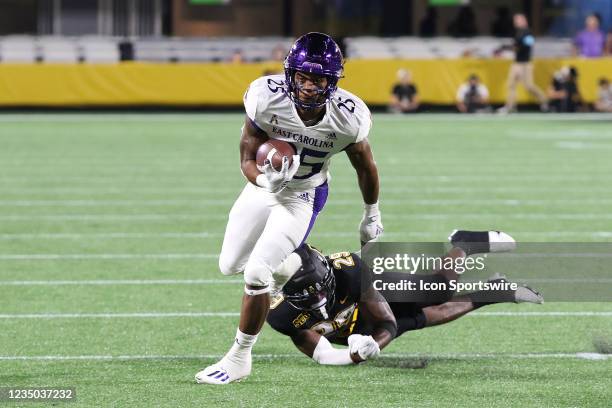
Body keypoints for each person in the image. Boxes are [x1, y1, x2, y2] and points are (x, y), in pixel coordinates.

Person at [195, 32, 383, 385]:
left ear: (333, 81)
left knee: (255, 274)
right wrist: (265, 181)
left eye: (319, 79)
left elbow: (366, 167)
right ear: (290, 75)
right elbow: (247, 158)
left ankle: (239, 357)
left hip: (303, 196)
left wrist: (371, 213)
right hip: (263, 187)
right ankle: (297, 262)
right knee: (229, 265)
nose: (309, 86)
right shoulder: (266, 98)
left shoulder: (348, 117)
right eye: (303, 77)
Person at [266, 230, 543, 365]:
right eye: (308, 295)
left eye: (322, 288)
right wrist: (354, 355)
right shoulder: (280, 314)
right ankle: (495, 292)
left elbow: (386, 324)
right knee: (419, 320)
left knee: (440, 290)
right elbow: (323, 354)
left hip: (378, 294)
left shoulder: (348, 271)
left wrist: (373, 344)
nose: (319, 299)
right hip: (356, 328)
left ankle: (465, 243)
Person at [497, 13, 548, 113]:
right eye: (515, 20)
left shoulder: (528, 32)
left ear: (524, 21)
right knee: (511, 84)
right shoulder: (518, 32)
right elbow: (516, 46)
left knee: (529, 86)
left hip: (525, 63)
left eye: (518, 20)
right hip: (517, 63)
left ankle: (544, 100)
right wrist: (506, 47)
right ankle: (510, 106)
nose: (516, 22)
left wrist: (512, 47)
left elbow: (527, 46)